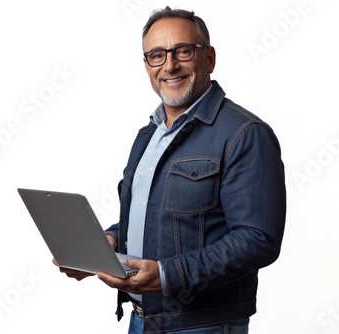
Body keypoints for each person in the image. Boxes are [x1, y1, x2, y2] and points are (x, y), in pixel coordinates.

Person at [54, 6, 286, 334]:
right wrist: (102, 245)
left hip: (203, 326)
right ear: (147, 65)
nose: (170, 65)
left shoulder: (244, 134)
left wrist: (166, 275)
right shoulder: (148, 136)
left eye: (183, 51)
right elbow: (150, 218)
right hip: (141, 319)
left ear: (209, 59)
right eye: (157, 55)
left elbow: (257, 239)